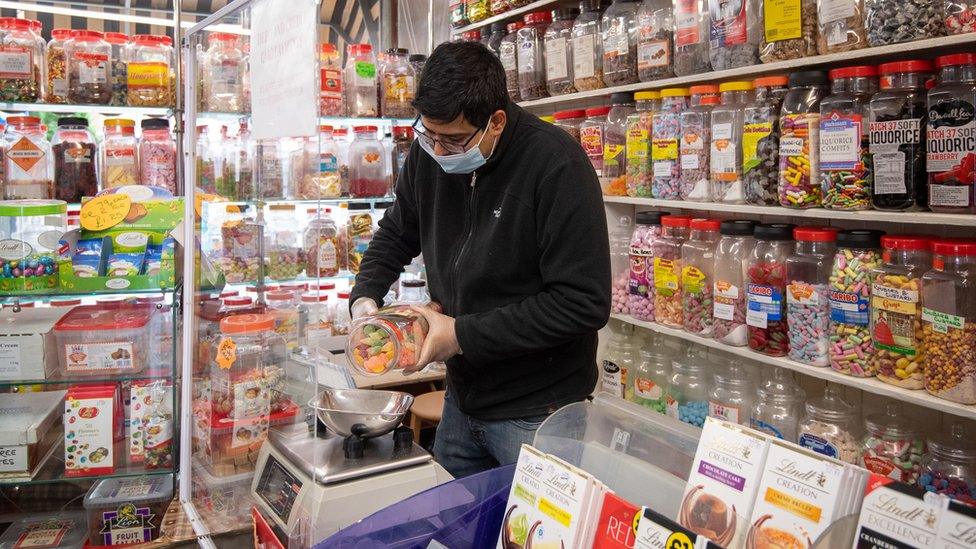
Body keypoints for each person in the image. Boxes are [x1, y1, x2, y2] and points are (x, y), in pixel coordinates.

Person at [349, 41, 611, 478]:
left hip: (538, 412)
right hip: (462, 399)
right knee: (455, 531)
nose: (439, 151)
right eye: (428, 135)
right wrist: (365, 298)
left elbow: (582, 302)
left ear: (496, 122)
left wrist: (460, 334)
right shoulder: (431, 150)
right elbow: (398, 230)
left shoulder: (556, 164)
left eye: (453, 140)